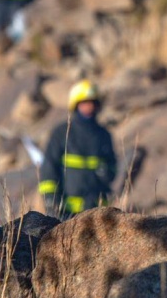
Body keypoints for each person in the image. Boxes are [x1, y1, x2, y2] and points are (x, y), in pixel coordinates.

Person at [38, 80, 117, 220]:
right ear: (76, 105)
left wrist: (107, 172)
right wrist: (51, 199)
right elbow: (49, 168)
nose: (89, 107)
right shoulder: (61, 133)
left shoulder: (104, 135)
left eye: (92, 102)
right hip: (66, 212)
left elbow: (113, 168)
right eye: (85, 103)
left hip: (96, 212)